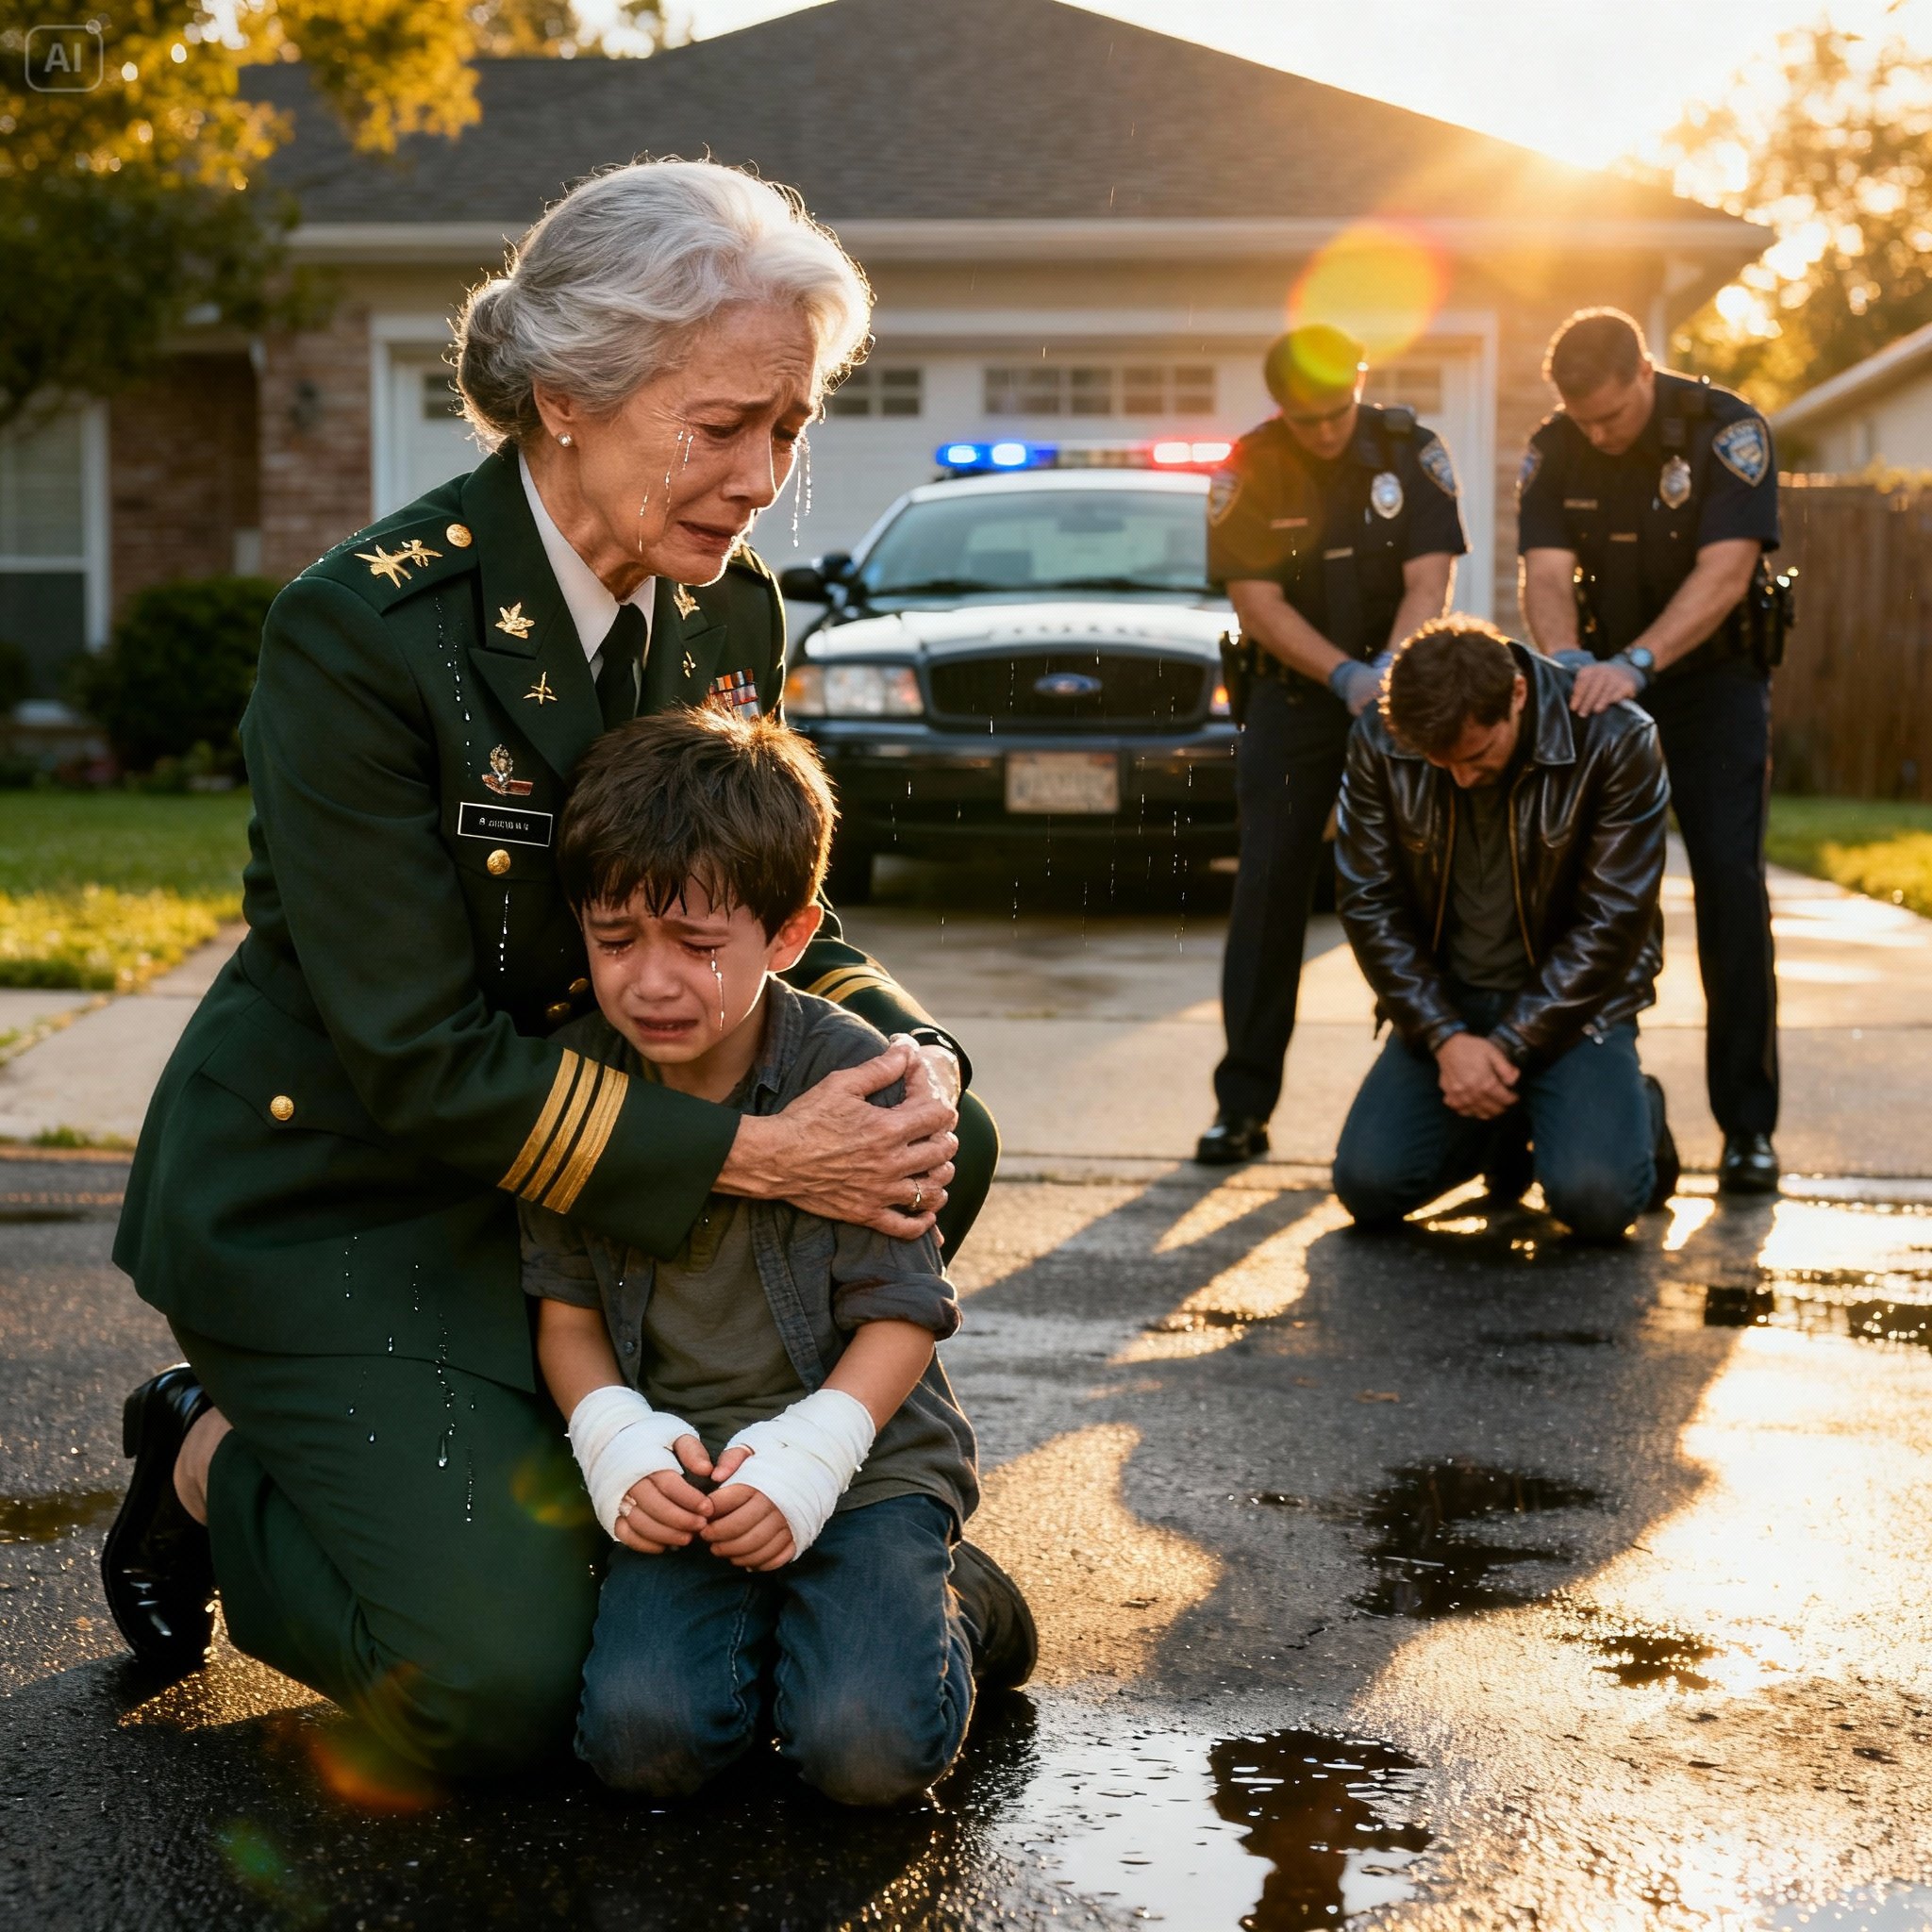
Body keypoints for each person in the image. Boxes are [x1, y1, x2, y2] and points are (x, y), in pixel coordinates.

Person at [101, 158, 1001, 1777]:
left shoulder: (725, 617)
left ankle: (802, 1506)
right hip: (354, 1187)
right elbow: (414, 1050)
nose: (764, 472)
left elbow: (774, 910)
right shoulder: (364, 632)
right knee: (506, 1689)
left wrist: (911, 1054)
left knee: (931, 1136)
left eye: (787, 427)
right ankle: (205, 1456)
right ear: (570, 395)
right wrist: (763, 1146)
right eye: (724, 423)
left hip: (587, 1179)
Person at [525, 707, 1033, 1807]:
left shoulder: (858, 1089)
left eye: (698, 947)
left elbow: (904, 1313)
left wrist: (812, 1453)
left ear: (790, 934)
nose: (650, 981)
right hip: (683, 1464)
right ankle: (786, 1621)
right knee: (642, 1744)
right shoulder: (575, 1084)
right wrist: (616, 1439)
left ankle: (965, 1603)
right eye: (615, 938)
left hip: (858, 1461)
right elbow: (564, 1312)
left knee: (863, 1752)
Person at [1517, 307, 1784, 1195]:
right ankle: (1568, 1114)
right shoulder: (1556, 447)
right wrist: (1565, 666)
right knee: (1566, 892)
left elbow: (1727, 570)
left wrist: (1640, 662)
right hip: (1596, 685)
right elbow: (1547, 575)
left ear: (1645, 373)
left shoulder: (1724, 431)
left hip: (1708, 686)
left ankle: (1747, 1127)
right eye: (1583, 420)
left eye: (1611, 417)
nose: (1598, 434)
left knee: (1729, 892)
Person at [1196, 324, 1466, 1166]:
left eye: (1335, 411)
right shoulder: (1252, 462)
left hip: (1404, 689)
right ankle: (1242, 1106)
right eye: (1305, 418)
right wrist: (1343, 675)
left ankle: (1458, 1084)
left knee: (1434, 883)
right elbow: (1257, 601)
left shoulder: (1410, 449)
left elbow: (1430, 578)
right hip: (1295, 695)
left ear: (1360, 379)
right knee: (1270, 893)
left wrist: (1391, 674)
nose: (1323, 431)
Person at [1331, 617, 1678, 1240]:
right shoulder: (1380, 738)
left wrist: (1511, 1044)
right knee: (1369, 1187)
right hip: (1449, 1010)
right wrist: (1443, 1036)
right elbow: (1368, 901)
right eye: (1438, 763)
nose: (1460, 777)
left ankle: (1636, 1112)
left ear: (1517, 694)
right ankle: (1506, 1122)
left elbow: (1613, 921)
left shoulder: (1616, 739)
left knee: (1596, 1202)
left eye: (1475, 756)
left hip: (1575, 1013)